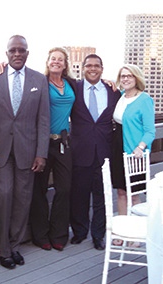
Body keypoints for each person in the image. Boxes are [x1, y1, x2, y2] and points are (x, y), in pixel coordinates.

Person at [0, 35, 50, 269]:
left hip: (28, 152)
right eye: (13, 50)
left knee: (23, 200)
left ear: (28, 53)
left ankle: (14, 246)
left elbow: (43, 119)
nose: (17, 54)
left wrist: (41, 153)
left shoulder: (39, 80)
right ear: (6, 53)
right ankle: (3, 250)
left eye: (21, 50)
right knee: (4, 198)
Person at [69, 54, 121, 250]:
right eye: (89, 65)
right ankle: (80, 232)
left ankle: (98, 235)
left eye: (96, 66)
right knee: (79, 195)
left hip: (104, 152)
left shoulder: (112, 90)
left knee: (102, 197)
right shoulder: (74, 88)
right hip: (80, 151)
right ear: (83, 68)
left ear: (102, 68)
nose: (92, 68)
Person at [29, 48, 75, 252]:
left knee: (64, 189)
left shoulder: (72, 84)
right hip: (42, 143)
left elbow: (93, 84)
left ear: (65, 65)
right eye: (53, 59)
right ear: (48, 62)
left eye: (60, 60)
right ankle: (40, 235)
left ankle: (59, 234)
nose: (56, 62)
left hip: (63, 144)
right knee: (38, 189)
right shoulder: (40, 83)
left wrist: (109, 83)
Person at [111, 64, 155, 245]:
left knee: (134, 194)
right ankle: (123, 233)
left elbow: (150, 130)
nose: (126, 79)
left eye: (129, 76)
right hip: (117, 149)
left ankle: (135, 236)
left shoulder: (144, 99)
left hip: (135, 153)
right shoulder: (121, 97)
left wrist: (141, 147)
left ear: (136, 78)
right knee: (121, 191)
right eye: (122, 76)